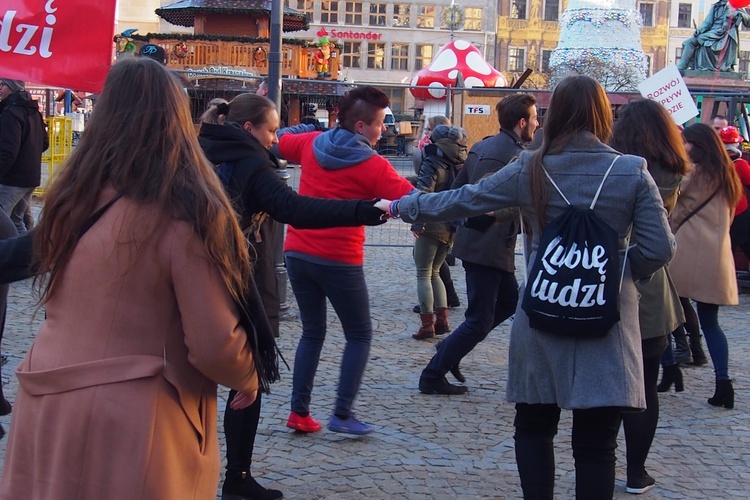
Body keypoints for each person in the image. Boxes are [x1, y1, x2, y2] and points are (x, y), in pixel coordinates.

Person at [378, 75, 675, 498]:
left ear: (556, 114)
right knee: (597, 444)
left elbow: (465, 198)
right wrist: (616, 270)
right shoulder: (630, 171)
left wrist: (403, 206)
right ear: (602, 115)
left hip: (544, 311)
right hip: (605, 317)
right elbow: (660, 247)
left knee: (534, 425)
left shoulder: (531, 165)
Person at [0, 57, 263, 498]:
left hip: (46, 400)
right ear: (176, 120)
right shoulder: (185, 211)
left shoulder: (73, 198)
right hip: (135, 418)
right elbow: (215, 343)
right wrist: (248, 374)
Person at [199, 93, 387, 498]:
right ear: (249, 129)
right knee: (247, 381)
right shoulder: (252, 164)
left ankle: (216, 471)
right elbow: (295, 208)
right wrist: (360, 210)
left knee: (204, 380)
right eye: (269, 131)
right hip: (242, 283)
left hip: (207, 278)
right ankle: (238, 479)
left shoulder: (206, 151)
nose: (274, 139)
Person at [277, 86, 414, 435]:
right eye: (380, 123)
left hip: (297, 251)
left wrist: (310, 129)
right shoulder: (373, 165)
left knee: (312, 332)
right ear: (359, 127)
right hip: (338, 257)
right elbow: (413, 200)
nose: (383, 130)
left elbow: (278, 138)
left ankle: (299, 411)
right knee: (359, 334)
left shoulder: (311, 144)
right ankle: (342, 413)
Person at [417, 93, 537, 395]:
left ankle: (450, 347)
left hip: (485, 244)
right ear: (522, 122)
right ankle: (432, 375)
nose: (538, 122)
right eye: (535, 118)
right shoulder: (511, 154)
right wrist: (481, 219)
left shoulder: (483, 146)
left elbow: (458, 192)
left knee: (509, 302)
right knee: (480, 320)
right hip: (488, 246)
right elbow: (485, 200)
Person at [610, 98, 690, 494]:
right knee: (643, 387)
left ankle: (601, 460)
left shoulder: (617, 167)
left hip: (611, 277)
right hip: (652, 285)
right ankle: (636, 471)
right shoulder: (671, 170)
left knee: (608, 383)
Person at [669, 123, 743, 409]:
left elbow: (671, 206)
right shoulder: (728, 177)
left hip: (686, 253)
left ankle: (670, 364)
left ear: (695, 145)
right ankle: (723, 382)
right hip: (718, 257)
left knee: (665, 311)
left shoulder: (692, 174)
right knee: (712, 323)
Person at [411, 125, 468, 341]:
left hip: (432, 222)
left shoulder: (433, 159)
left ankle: (428, 325)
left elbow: (424, 194)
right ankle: (443, 321)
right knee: (435, 272)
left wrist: (417, 223)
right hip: (451, 224)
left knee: (424, 273)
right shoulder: (461, 159)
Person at [0, 78, 48, 234]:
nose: (0, 88)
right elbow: (44, 143)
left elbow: (8, 150)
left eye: (3, 84)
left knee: (4, 223)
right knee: (16, 221)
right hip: (30, 177)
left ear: (13, 87)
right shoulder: (33, 111)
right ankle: (26, 256)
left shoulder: (11, 112)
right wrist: (29, 155)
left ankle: (14, 255)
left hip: (12, 179)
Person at [677, 0, 750, 72]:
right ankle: (685, 67)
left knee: (693, 42)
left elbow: (748, 21)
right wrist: (699, 31)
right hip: (712, 32)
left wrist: (740, 14)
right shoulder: (716, 6)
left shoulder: (736, 5)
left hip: (725, 33)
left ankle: (683, 66)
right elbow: (708, 22)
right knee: (688, 42)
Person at [719, 125, 750, 264]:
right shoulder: (740, 164)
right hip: (739, 212)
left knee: (725, 250)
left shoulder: (713, 163)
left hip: (719, 213)